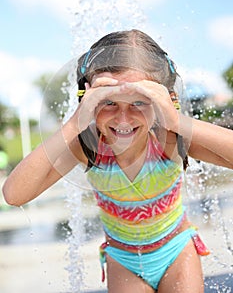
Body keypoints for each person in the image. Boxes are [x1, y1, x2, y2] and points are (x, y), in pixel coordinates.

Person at [2, 29, 233, 293]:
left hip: (176, 250)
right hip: (123, 261)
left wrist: (177, 120)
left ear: (164, 102)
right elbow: (14, 194)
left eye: (139, 102)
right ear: (86, 99)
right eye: (108, 101)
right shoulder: (88, 145)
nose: (123, 118)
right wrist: (73, 124)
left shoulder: (169, 137)